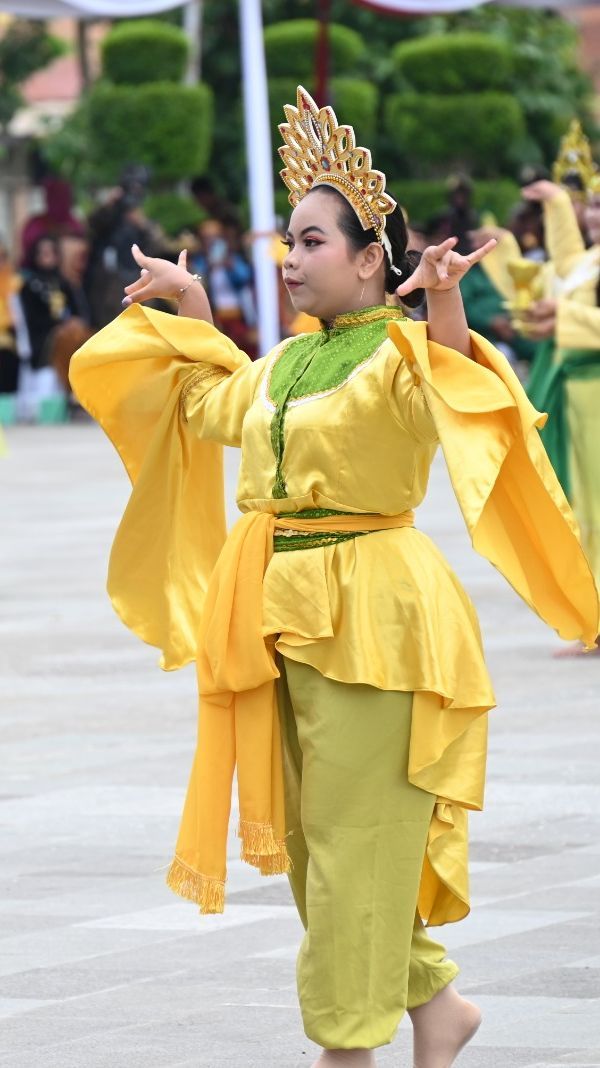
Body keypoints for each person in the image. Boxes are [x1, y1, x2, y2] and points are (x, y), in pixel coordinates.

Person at [69, 88, 598, 1068]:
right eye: (291, 242)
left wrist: (441, 297)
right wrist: (188, 307)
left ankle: (347, 1050)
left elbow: (457, 385)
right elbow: (215, 403)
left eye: (313, 242)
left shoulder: (397, 354)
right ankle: (434, 1002)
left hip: (378, 615)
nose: (293, 258)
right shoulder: (286, 364)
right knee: (318, 846)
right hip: (275, 611)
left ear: (368, 258)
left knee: (357, 843)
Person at [520, 173, 600, 654]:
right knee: (582, 509)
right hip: (577, 396)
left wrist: (564, 319)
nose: (592, 214)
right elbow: (567, 259)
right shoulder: (589, 263)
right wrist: (554, 206)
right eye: (589, 205)